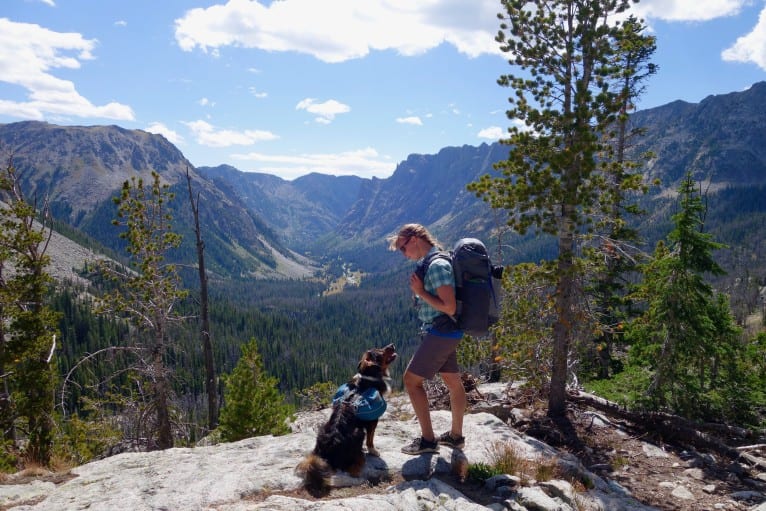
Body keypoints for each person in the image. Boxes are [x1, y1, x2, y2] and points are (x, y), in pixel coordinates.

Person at [389, 223, 466, 455]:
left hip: (441, 330)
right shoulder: (434, 261)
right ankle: (456, 437)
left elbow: (450, 307)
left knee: (411, 381)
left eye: (403, 248)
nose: (404, 254)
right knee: (453, 381)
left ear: (414, 239)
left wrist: (421, 292)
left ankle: (428, 441)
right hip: (445, 330)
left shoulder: (437, 266)